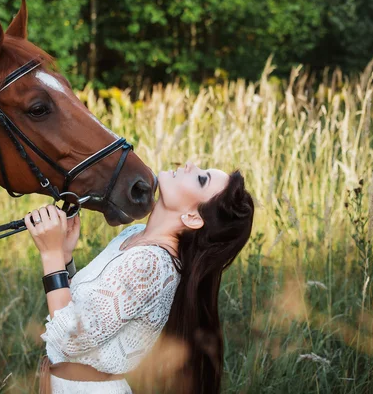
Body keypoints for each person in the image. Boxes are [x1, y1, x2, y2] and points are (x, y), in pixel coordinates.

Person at [24, 162, 255, 394]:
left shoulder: (150, 265)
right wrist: (64, 258)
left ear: (193, 218)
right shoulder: (133, 236)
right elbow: (86, 312)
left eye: (201, 179)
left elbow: (70, 339)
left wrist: (51, 254)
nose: (190, 166)